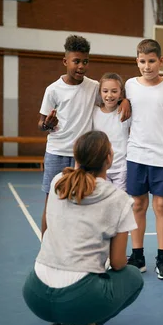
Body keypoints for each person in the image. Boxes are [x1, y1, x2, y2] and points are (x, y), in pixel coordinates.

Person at [22, 131, 143, 325]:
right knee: (133, 276)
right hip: (78, 296)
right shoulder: (119, 199)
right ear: (109, 158)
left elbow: (46, 225)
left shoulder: (59, 181)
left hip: (34, 292)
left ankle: (58, 323)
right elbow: (118, 263)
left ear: (76, 157)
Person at [38, 35, 130, 234]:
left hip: (83, 156)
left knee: (82, 203)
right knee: (52, 201)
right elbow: (40, 123)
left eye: (85, 61)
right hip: (57, 152)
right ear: (65, 61)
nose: (81, 66)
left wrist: (125, 100)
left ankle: (75, 245)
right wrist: (47, 125)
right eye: (76, 61)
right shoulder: (53, 90)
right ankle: (46, 247)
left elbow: (110, 95)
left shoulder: (93, 86)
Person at [124, 39, 163, 280]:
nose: (147, 66)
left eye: (151, 61)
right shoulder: (129, 85)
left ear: (160, 61)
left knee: (162, 206)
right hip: (136, 153)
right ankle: (137, 256)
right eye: (142, 61)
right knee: (138, 205)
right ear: (137, 61)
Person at [93, 73, 130, 191]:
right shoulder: (94, 112)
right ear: (100, 93)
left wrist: (126, 101)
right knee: (102, 202)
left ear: (121, 93)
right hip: (100, 168)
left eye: (114, 91)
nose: (109, 95)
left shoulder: (126, 112)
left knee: (119, 203)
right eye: (105, 91)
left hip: (121, 168)